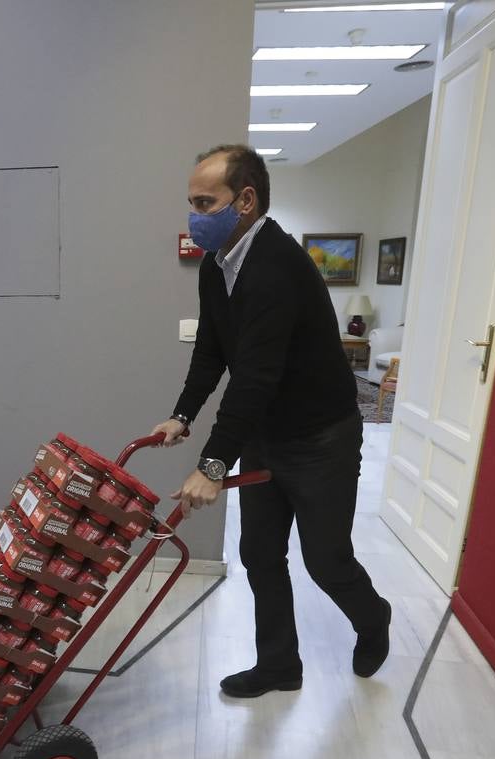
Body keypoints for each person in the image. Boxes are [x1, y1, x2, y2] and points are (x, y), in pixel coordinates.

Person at [152, 144, 392, 698]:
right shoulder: (218, 266)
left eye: (205, 202)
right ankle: (279, 664)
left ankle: (372, 615)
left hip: (320, 439)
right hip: (266, 437)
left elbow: (256, 376)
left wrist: (213, 464)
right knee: (259, 553)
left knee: (326, 560)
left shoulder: (277, 266)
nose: (195, 214)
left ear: (246, 200)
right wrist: (181, 415)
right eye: (191, 202)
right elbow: (213, 352)